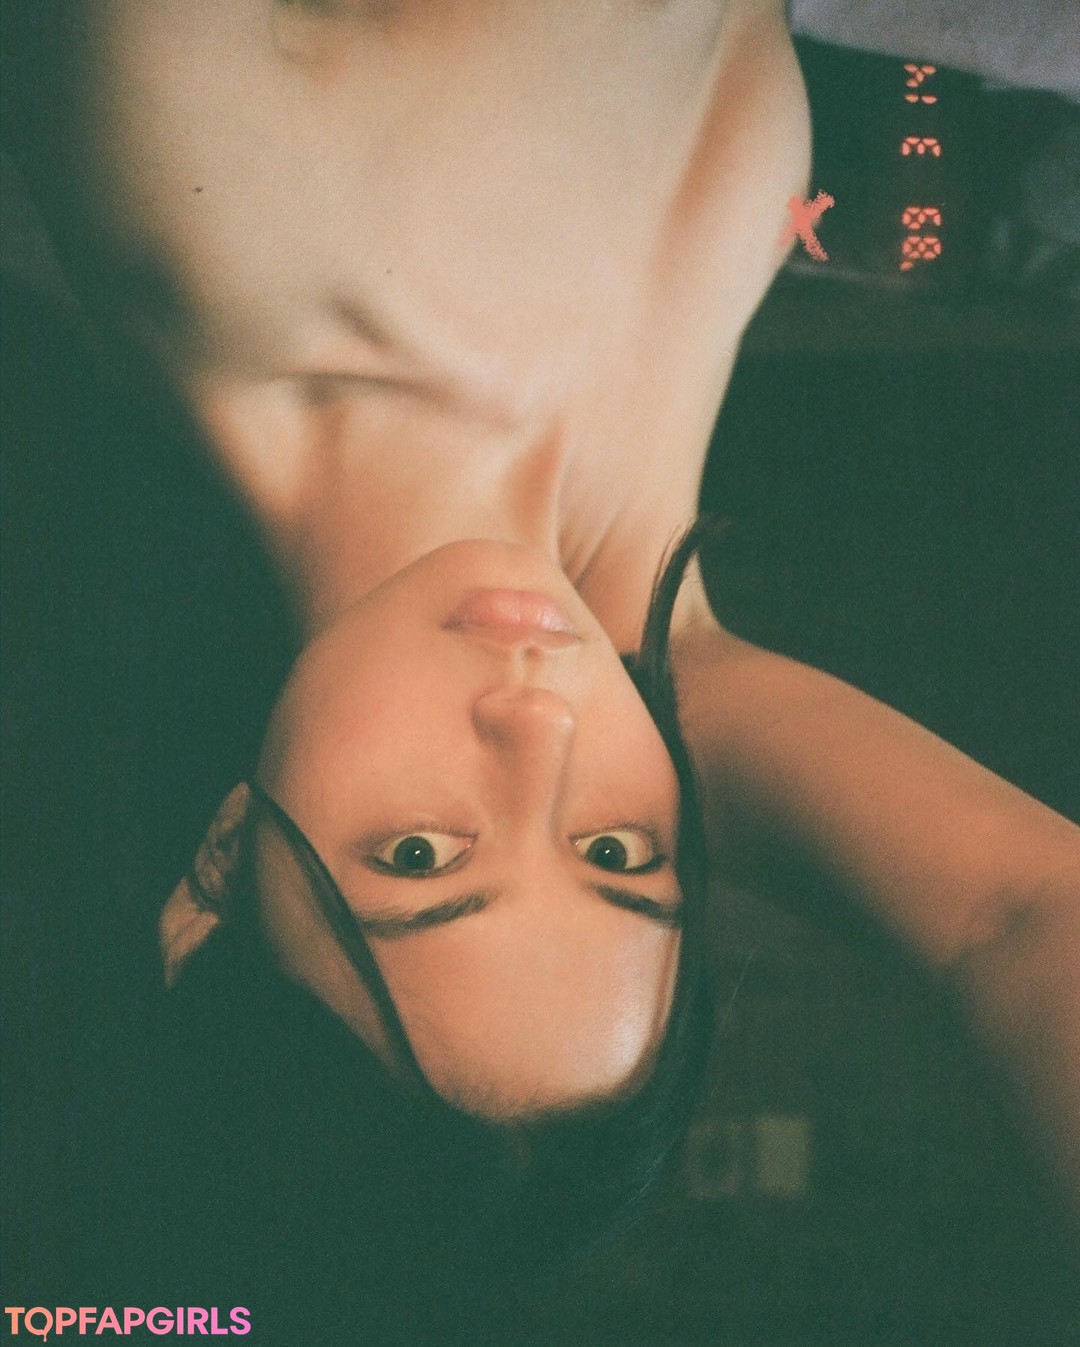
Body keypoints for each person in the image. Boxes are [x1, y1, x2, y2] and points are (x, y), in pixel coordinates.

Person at [3, 0, 1078, 1337]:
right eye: (619, 856)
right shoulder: (644, 653)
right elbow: (1022, 917)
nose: (539, 726)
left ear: (224, 857)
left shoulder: (219, 176)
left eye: (416, 857)